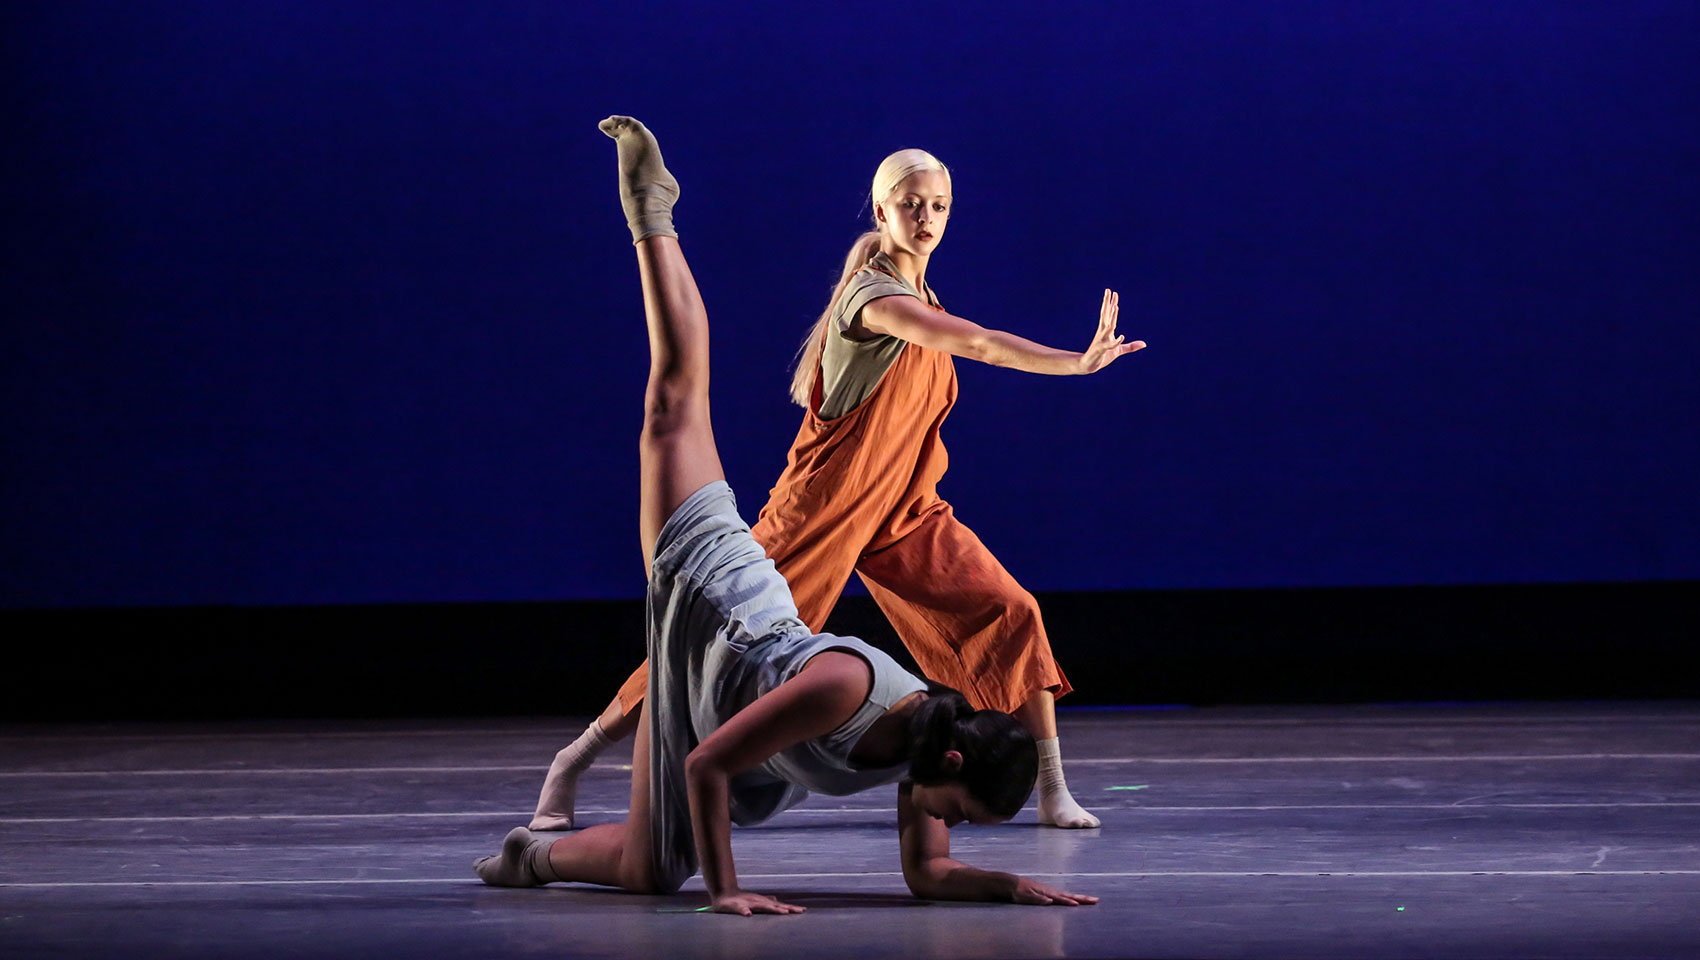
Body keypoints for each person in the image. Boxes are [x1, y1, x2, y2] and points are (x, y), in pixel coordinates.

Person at [473, 117, 1098, 915]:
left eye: (939, 203)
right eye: (911, 203)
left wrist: (1010, 885)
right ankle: (578, 754)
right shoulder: (878, 299)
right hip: (821, 514)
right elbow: (974, 342)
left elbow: (928, 872)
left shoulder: (922, 754)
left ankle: (1048, 783)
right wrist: (1072, 362)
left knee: (1012, 611)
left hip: (901, 509)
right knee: (676, 406)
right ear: (880, 213)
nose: (928, 216)